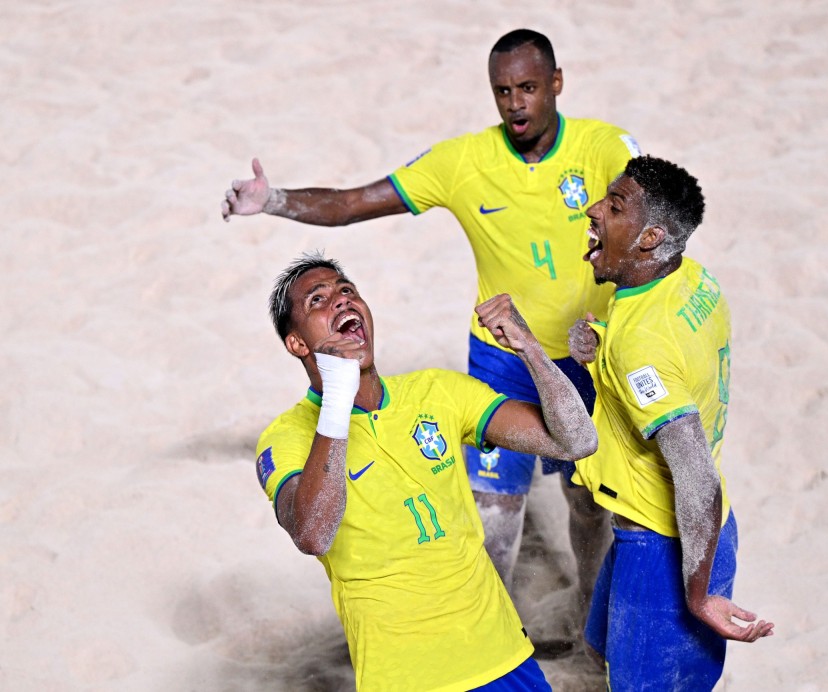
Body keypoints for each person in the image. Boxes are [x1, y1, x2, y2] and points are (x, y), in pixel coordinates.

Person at [224, 29, 641, 630]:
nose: (515, 104)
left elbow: (652, 223)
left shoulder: (605, 147)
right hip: (503, 354)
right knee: (495, 510)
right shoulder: (462, 162)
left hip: (587, 352)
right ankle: (494, 631)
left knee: (590, 500)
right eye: (503, 91)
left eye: (528, 88)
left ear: (556, 83)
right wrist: (273, 200)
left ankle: (586, 627)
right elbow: (351, 204)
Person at [255, 251, 597, 690]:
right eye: (317, 300)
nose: (341, 300)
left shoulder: (438, 391)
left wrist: (530, 349)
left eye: (347, 290)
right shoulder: (285, 438)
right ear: (297, 344)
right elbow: (313, 534)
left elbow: (575, 441)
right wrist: (338, 396)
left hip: (505, 658)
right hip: (407, 677)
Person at [567, 155, 774, 690]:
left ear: (650, 238)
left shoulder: (641, 345)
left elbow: (696, 475)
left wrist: (698, 595)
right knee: (600, 647)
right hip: (689, 531)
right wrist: (602, 351)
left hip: (664, 551)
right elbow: (675, 364)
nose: (594, 210)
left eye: (615, 207)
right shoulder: (693, 279)